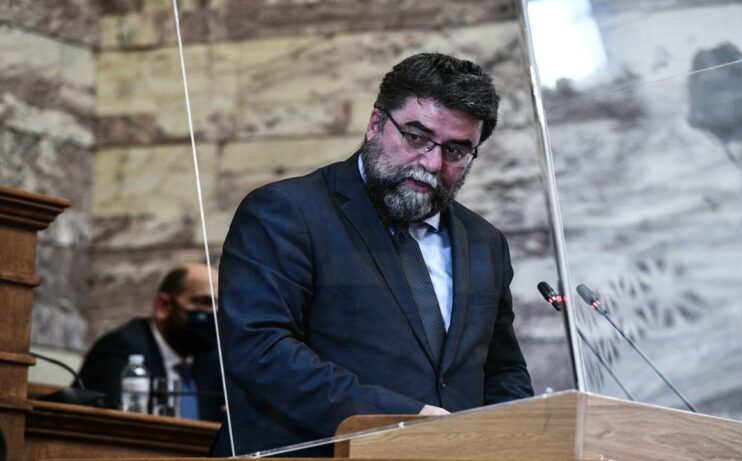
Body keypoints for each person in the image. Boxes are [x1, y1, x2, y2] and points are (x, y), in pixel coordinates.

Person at [212, 52, 533, 456]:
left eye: (455, 150)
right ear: (375, 123)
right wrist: (405, 419)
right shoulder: (287, 212)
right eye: (416, 137)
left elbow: (501, 370)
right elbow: (259, 348)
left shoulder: (485, 241)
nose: (432, 162)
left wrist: (516, 440)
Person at [79, 262, 224, 422]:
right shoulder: (120, 349)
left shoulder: (211, 360)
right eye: (204, 302)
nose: (215, 314)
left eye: (220, 306)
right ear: (163, 306)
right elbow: (112, 425)